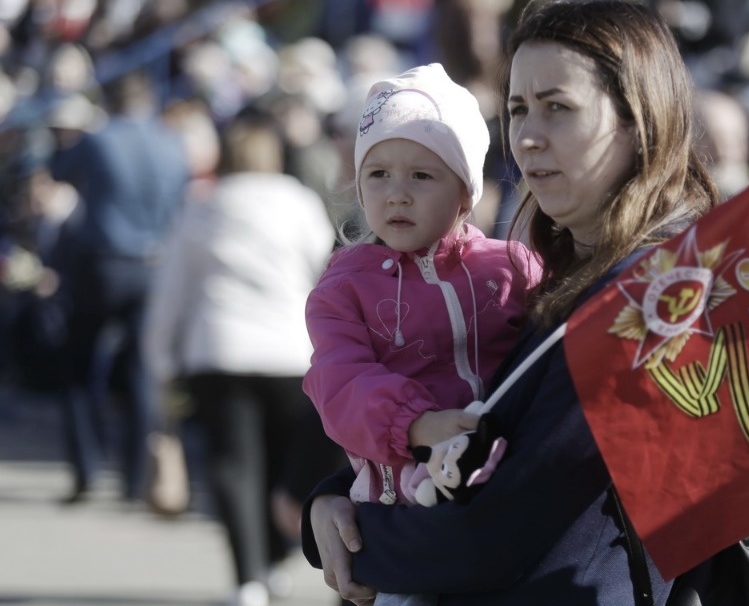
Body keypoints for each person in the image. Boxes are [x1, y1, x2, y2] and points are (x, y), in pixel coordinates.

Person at [301, 0, 722, 605]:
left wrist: (354, 531)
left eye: (558, 108)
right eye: (519, 109)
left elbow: (492, 532)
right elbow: (494, 430)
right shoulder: (563, 272)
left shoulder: (653, 296)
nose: (527, 137)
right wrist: (340, 494)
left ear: (639, 122)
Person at [301, 63, 542, 606]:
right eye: (378, 174)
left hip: (503, 502)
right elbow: (339, 382)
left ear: (465, 193)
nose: (397, 194)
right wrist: (416, 423)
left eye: (422, 175)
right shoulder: (345, 285)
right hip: (399, 515)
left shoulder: (512, 269)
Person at [144, 109, 339, 606]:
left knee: (234, 467)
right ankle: (273, 560)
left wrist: (161, 360)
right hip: (290, 350)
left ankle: (248, 577)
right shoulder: (299, 202)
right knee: (279, 463)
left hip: (220, 351)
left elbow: (172, 291)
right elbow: (323, 272)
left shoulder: (203, 206)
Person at [49, 70, 189, 505]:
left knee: (76, 367)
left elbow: (58, 170)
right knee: (140, 371)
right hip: (154, 264)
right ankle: (135, 479)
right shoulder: (172, 141)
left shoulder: (100, 138)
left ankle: (88, 470)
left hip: (103, 264)